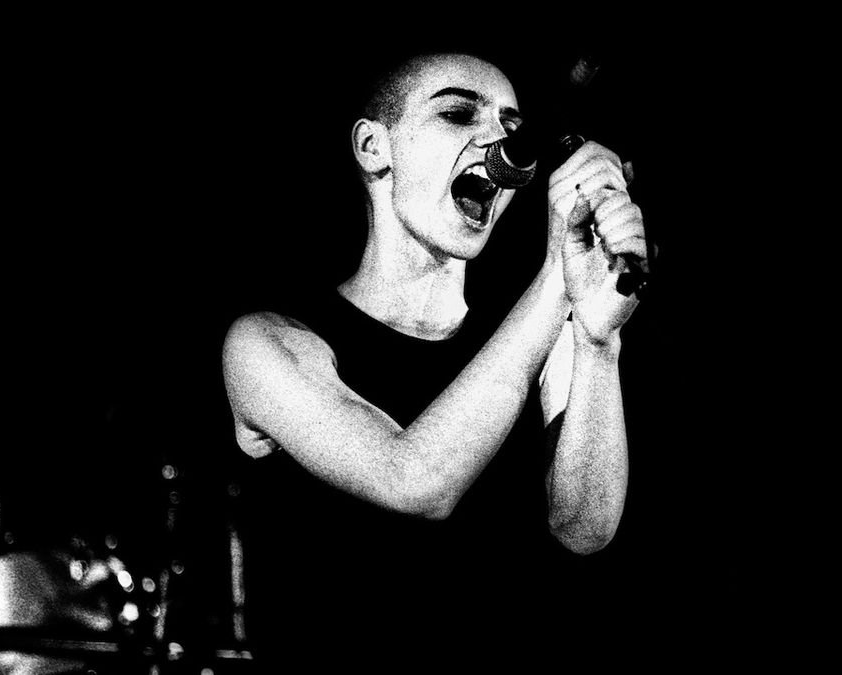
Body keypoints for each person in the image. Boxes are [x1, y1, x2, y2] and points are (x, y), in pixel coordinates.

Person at [220, 50, 648, 661]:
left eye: (511, 126)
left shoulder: (539, 332)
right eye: (457, 114)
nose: (499, 142)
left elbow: (583, 529)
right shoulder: (268, 343)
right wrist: (557, 276)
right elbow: (414, 480)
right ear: (374, 148)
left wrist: (600, 343)